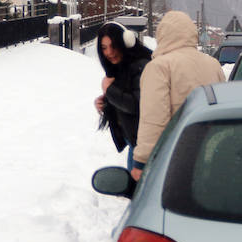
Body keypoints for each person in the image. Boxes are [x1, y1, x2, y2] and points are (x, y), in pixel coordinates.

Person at [132, 10, 225, 180]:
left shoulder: (159, 67)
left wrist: (141, 162)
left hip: (174, 158)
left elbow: (154, 118)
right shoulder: (213, 65)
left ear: (162, 35)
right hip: (210, 155)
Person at [93, 20, 153, 170]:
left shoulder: (141, 66)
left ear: (125, 42)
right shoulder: (123, 68)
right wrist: (106, 102)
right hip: (137, 143)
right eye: (104, 48)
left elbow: (137, 105)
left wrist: (109, 90)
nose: (109, 52)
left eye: (113, 46)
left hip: (145, 146)